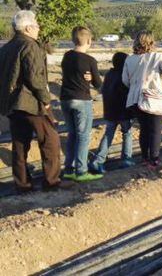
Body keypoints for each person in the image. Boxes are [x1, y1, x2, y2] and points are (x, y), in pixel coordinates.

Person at [0, 11, 66, 192]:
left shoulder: (6, 48)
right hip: (31, 102)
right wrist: (45, 101)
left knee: (20, 146)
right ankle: (51, 183)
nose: (38, 28)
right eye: (36, 25)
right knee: (51, 141)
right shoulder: (30, 46)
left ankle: (22, 185)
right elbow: (35, 78)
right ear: (28, 28)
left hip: (13, 104)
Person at [123, 31, 162, 169]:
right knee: (156, 130)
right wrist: (161, 82)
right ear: (152, 42)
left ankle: (144, 158)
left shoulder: (129, 59)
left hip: (135, 99)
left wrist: (135, 86)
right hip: (154, 97)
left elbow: (125, 80)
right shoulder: (157, 56)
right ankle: (154, 160)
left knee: (144, 130)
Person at [60, 26, 103, 182]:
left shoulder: (66, 56)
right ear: (89, 41)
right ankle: (81, 171)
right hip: (81, 100)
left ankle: (69, 169)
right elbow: (98, 84)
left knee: (72, 134)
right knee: (83, 136)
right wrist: (92, 78)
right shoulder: (90, 61)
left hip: (65, 99)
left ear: (73, 40)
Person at [89, 52, 133, 174]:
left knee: (108, 134)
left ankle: (98, 160)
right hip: (123, 112)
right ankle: (126, 159)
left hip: (110, 111)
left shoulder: (109, 74)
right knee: (127, 133)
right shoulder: (124, 76)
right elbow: (126, 94)